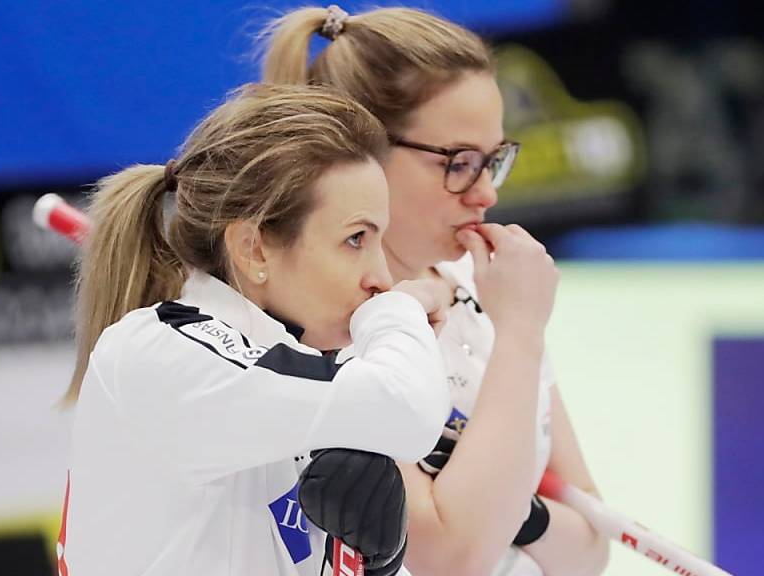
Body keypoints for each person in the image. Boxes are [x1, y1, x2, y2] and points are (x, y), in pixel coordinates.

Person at [261, 7, 610, 576]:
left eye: (493, 161)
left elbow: (589, 549)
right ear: (360, 149)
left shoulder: (484, 289)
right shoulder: (321, 324)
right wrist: (519, 333)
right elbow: (446, 558)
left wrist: (511, 508)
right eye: (459, 162)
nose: (485, 195)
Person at [58, 83, 451, 576]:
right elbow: (407, 410)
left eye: (378, 240)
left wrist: (373, 567)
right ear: (254, 249)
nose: (382, 278)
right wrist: (400, 312)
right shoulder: (163, 353)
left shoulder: (282, 373)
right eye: (355, 239)